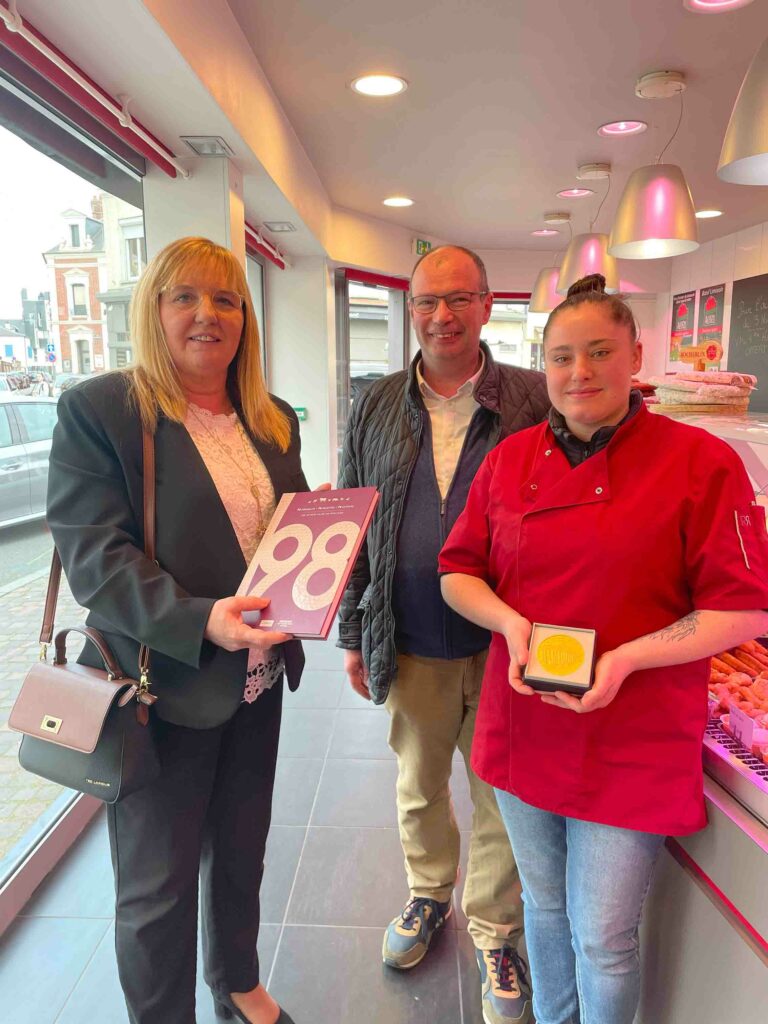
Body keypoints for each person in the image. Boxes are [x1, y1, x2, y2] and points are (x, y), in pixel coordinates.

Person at [438, 274, 768, 1024]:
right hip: (524, 726)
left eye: (598, 352)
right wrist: (511, 625)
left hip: (635, 734)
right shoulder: (510, 459)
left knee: (606, 937)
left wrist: (626, 659)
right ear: (543, 364)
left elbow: (742, 609)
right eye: (561, 357)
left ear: (635, 356)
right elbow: (459, 571)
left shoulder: (699, 462)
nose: (578, 372)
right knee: (545, 913)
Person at [46, 237, 310, 1024]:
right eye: (185, 297)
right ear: (153, 309)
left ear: (245, 319)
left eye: (227, 299)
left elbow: (280, 536)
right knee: (157, 886)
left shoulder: (271, 418)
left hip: (257, 681)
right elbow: (96, 557)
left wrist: (319, 539)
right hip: (161, 686)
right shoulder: (105, 411)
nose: (208, 314)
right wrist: (202, 622)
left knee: (240, 849)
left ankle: (237, 981)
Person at [337, 244, 550, 1024]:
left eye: (459, 299)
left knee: (501, 794)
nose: (441, 315)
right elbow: (354, 519)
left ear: (489, 305)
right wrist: (356, 632)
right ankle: (429, 896)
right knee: (419, 782)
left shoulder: (531, 397)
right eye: (427, 301)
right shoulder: (376, 403)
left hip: (508, 645)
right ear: (410, 310)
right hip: (411, 635)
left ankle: (496, 930)